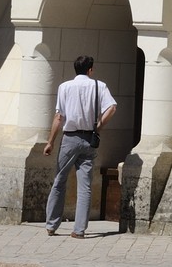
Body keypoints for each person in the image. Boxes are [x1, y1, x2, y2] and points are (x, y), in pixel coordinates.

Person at [43, 54, 117, 238]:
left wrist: (50, 141)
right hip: (89, 138)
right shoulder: (99, 86)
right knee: (85, 186)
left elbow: (59, 117)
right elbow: (112, 107)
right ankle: (79, 230)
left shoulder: (65, 87)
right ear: (90, 70)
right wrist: (98, 126)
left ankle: (52, 225)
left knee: (60, 181)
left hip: (69, 138)